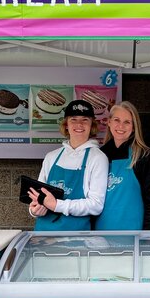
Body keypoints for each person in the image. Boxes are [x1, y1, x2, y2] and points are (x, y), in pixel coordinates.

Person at [28, 99, 108, 231]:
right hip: (43, 236)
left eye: (85, 120)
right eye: (73, 119)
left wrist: (56, 205)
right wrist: (34, 210)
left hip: (75, 239)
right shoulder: (51, 157)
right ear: (66, 125)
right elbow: (37, 196)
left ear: (91, 125)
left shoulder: (97, 158)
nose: (79, 124)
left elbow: (96, 205)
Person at [97, 101, 150, 230]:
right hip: (101, 235)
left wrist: (147, 235)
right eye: (116, 120)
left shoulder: (143, 156)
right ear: (109, 122)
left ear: (134, 127)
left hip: (134, 235)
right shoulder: (99, 156)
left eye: (127, 122)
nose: (121, 126)